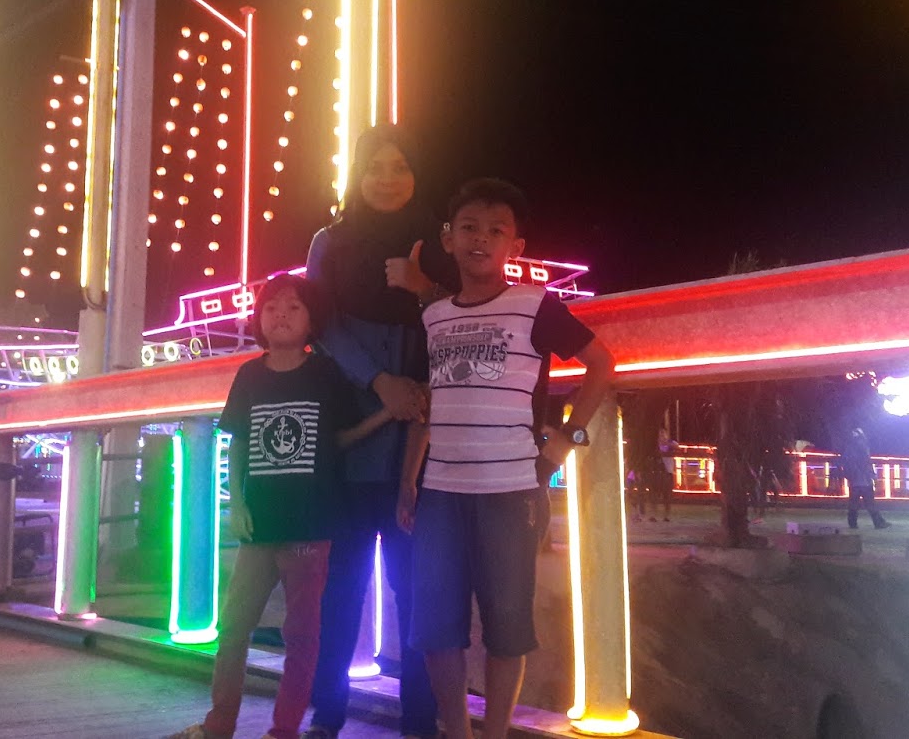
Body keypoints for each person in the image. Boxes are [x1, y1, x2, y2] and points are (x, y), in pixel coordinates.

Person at [397, 179, 614, 739]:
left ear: (515, 247)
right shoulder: (434, 316)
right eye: (469, 228)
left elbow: (601, 363)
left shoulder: (536, 305)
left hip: (512, 491)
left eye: (496, 231)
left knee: (507, 627)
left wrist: (565, 441)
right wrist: (408, 482)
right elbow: (431, 402)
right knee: (435, 630)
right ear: (448, 238)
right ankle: (457, 731)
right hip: (439, 492)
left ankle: (493, 732)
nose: (481, 239)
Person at [168, 275, 401, 739]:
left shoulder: (327, 373)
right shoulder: (249, 375)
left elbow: (338, 439)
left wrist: (384, 416)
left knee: (302, 636)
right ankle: (219, 724)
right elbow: (237, 442)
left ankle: (284, 730)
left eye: (294, 307)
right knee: (234, 628)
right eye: (272, 307)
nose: (281, 315)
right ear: (258, 319)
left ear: (312, 321)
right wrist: (236, 503)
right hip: (259, 526)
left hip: (311, 526)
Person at [302, 126, 455, 739]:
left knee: (417, 591)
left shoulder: (440, 246)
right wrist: (380, 380)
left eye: (400, 166)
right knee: (339, 589)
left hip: (422, 450)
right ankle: (326, 715)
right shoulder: (330, 242)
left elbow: (459, 317)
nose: (387, 178)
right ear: (356, 174)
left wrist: (424, 288)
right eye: (374, 166)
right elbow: (320, 323)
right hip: (349, 438)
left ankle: (422, 722)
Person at [841, 426, 888, 530]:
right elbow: (867, 464)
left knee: (853, 504)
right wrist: (874, 477)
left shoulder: (848, 449)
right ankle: (878, 523)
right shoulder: (863, 448)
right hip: (865, 481)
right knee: (870, 503)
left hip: (854, 481)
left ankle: (853, 523)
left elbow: (846, 463)